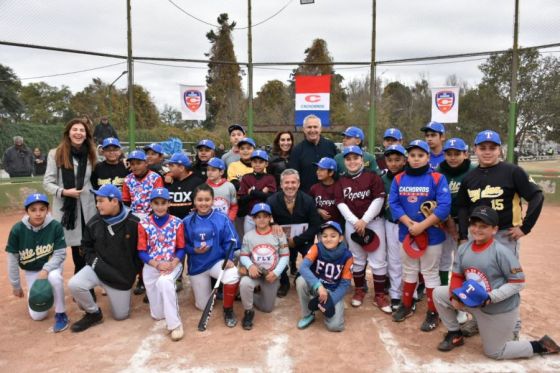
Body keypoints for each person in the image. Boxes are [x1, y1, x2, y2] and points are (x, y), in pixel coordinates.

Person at [433, 206, 560, 358]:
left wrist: (491, 297)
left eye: (483, 226)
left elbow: (518, 282)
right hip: (475, 302)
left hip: (498, 308)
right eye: (474, 225)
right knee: (439, 294)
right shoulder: (463, 248)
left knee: (495, 352)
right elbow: (457, 275)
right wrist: (454, 296)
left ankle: (539, 345)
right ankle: (455, 333)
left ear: (494, 229)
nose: (477, 229)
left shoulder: (502, 252)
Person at [456, 130, 544, 338]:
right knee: (477, 280)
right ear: (474, 150)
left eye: (492, 148)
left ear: (500, 150)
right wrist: (462, 235)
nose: (487, 152)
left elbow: (536, 195)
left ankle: (512, 327)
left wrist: (525, 227)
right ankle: (478, 320)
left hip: (505, 235)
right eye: (482, 148)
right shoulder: (470, 177)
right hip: (476, 236)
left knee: (507, 283)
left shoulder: (513, 172)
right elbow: (461, 207)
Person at [389, 139, 451, 331]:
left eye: (420, 155)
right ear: (407, 157)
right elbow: (394, 203)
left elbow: (444, 206)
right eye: (412, 155)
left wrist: (422, 225)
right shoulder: (399, 179)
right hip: (407, 233)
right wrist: (409, 224)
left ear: (428, 157)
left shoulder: (437, 178)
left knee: (430, 273)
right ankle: (407, 305)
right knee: (409, 270)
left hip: (432, 234)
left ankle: (433, 312)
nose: (416, 159)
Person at [68, 184, 141, 332]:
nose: (97, 204)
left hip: (121, 277)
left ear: (114, 201)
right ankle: (93, 313)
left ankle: (116, 293)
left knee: (121, 316)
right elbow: (86, 247)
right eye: (97, 200)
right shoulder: (94, 222)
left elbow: (140, 252)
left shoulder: (134, 223)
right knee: (75, 284)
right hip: (98, 269)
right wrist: (96, 263)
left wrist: (132, 272)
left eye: (101, 201)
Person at [335, 146, 390, 313]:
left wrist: (364, 220)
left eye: (355, 158)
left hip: (373, 222)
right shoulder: (341, 180)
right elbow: (340, 203)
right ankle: (360, 290)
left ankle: (380, 294)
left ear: (362, 159)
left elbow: (379, 199)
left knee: (378, 260)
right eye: (348, 159)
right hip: (351, 223)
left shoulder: (372, 176)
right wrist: (355, 221)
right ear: (344, 161)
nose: (352, 161)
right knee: (357, 259)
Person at [6, 193, 69, 332]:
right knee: (38, 316)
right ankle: (39, 291)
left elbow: (60, 253)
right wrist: (16, 285)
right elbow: (12, 259)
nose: (38, 213)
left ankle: (61, 314)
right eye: (33, 210)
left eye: (42, 209)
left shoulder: (55, 226)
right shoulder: (17, 230)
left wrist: (46, 270)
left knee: (55, 278)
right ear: (26, 211)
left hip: (52, 267)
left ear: (48, 210)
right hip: (31, 271)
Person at [43, 118, 97, 275]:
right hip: (68, 208)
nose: (78, 133)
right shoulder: (56, 154)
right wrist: (65, 192)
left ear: (86, 135)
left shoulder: (92, 154)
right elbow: (47, 183)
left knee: (89, 244)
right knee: (77, 246)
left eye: (82, 130)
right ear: (68, 133)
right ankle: (81, 280)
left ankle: (89, 281)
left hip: (88, 206)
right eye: (75, 130)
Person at [183, 184, 240, 327]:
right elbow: (181, 246)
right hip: (198, 266)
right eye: (199, 200)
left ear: (213, 200)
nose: (203, 203)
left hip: (217, 262)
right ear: (194, 201)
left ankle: (228, 309)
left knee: (232, 274)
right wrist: (194, 250)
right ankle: (205, 289)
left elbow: (232, 240)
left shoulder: (222, 218)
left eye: (207, 200)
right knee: (202, 306)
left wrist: (229, 258)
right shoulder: (186, 221)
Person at [138, 188, 185, 341]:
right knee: (158, 315)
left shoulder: (177, 222)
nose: (160, 207)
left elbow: (181, 248)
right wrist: (157, 265)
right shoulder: (144, 223)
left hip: (172, 263)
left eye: (163, 203)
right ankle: (166, 308)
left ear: (169, 203)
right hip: (152, 265)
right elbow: (141, 251)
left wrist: (173, 262)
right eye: (156, 203)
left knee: (165, 283)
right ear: (151, 204)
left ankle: (175, 324)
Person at [267, 169, 322, 297]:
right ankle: (284, 282)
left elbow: (315, 225)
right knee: (272, 254)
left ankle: (300, 276)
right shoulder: (272, 201)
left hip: (303, 240)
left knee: (314, 255)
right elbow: (266, 221)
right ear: (281, 185)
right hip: (281, 241)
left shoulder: (308, 200)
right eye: (286, 183)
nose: (290, 186)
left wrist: (297, 240)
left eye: (293, 182)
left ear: (298, 184)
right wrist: (273, 224)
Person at [238, 203, 289, 330]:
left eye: (265, 216)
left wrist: (276, 273)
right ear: (253, 219)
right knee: (245, 283)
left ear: (270, 218)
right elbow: (244, 255)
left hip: (270, 274)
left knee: (267, 308)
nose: (261, 219)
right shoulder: (248, 235)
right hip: (255, 272)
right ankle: (248, 311)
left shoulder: (278, 234)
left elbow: (285, 256)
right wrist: (250, 266)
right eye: (258, 217)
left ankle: (248, 296)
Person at [296, 221, 353, 332]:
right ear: (320, 237)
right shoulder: (316, 248)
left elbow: (345, 284)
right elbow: (303, 267)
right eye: (325, 236)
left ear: (340, 238)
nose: (328, 239)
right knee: (300, 281)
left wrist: (331, 301)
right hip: (317, 286)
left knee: (335, 326)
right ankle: (308, 314)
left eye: (333, 236)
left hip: (333, 290)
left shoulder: (347, 256)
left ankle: (323, 303)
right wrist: (318, 286)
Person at [436, 138, 476, 288]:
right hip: (445, 222)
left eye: (457, 153)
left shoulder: (473, 171)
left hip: (469, 223)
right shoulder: (439, 172)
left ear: (465, 154)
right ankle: (444, 289)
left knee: (465, 259)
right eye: (449, 154)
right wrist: (447, 220)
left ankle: (464, 290)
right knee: (444, 257)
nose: (452, 157)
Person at [381, 144, 407, 311]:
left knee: (410, 260)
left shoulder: (410, 177)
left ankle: (411, 292)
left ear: (405, 160)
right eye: (390, 160)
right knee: (394, 260)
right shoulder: (383, 179)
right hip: (390, 223)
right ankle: (396, 293)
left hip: (410, 225)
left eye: (398, 160)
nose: (394, 163)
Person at [288, 114, 337, 193]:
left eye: (315, 127)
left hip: (330, 196)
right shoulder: (297, 150)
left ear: (320, 129)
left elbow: (336, 171)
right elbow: (293, 177)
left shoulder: (330, 145)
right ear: (304, 129)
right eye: (309, 127)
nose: (312, 130)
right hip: (307, 197)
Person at [237, 150, 277, 234]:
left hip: (266, 216)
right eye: (255, 162)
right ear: (251, 163)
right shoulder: (246, 178)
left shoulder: (270, 178)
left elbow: (272, 197)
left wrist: (253, 192)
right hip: (250, 216)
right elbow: (241, 200)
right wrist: (261, 193)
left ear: (266, 164)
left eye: (261, 162)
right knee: (249, 242)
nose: (257, 164)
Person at [122, 149, 164, 220]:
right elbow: (126, 201)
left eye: (138, 163)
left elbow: (159, 199)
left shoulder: (155, 177)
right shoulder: (128, 179)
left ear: (146, 163)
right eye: (132, 164)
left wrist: (151, 217)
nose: (135, 166)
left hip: (151, 215)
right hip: (133, 216)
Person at [165, 152, 204, 219]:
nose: (169, 168)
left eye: (172, 165)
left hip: (191, 222)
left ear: (181, 168)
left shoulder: (197, 182)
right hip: (171, 223)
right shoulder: (168, 180)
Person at [309, 157, 341, 226]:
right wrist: (318, 211)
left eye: (322, 169)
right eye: (318, 169)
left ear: (331, 172)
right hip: (320, 226)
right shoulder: (314, 188)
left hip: (338, 226)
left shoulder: (340, 187)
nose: (318, 171)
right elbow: (309, 207)